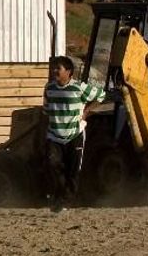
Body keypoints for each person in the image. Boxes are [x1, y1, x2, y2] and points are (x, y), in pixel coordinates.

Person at [43, 55, 105, 213]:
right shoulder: (49, 88)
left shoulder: (79, 87)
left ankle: (65, 202)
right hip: (54, 135)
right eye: (54, 68)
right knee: (53, 165)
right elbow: (46, 110)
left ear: (69, 72)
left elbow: (101, 95)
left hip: (74, 135)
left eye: (59, 68)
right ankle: (58, 197)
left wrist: (87, 111)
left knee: (73, 170)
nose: (55, 71)